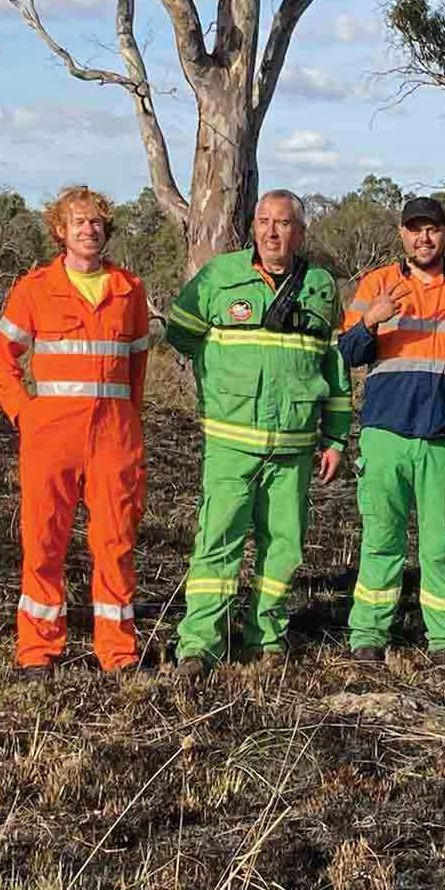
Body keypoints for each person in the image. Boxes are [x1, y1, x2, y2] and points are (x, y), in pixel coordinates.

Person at [163, 190, 351, 676]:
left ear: (300, 232)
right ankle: (199, 645)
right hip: (231, 441)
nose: (272, 231)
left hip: (294, 446)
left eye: (284, 223)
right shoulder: (220, 276)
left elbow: (333, 367)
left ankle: (266, 637)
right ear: (253, 227)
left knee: (284, 547)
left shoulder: (321, 287)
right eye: (264, 221)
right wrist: (222, 382)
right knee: (217, 541)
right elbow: (181, 333)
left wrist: (334, 438)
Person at [0, 186, 151, 680]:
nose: (88, 229)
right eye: (78, 221)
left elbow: (138, 364)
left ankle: (118, 653)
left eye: (96, 221)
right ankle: (37, 651)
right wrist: (24, 414)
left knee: (116, 541)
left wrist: (130, 422)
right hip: (50, 435)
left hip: (115, 436)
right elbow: (1, 358)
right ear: (60, 230)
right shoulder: (34, 288)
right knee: (43, 540)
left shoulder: (129, 289)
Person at [338, 196, 445, 664]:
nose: (424, 237)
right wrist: (370, 322)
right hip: (386, 435)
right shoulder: (378, 284)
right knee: (381, 540)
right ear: (402, 235)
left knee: (441, 544)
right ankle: (369, 636)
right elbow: (348, 353)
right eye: (414, 229)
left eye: (432, 228)